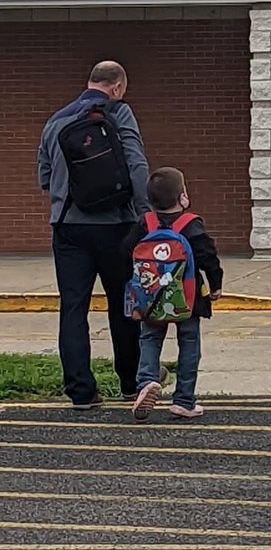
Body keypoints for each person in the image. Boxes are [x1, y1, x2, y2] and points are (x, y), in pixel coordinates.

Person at [38, 60, 150, 409]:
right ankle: (131, 383)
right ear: (117, 87)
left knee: (73, 308)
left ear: (90, 82)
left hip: (68, 226)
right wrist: (146, 213)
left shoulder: (56, 121)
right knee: (123, 304)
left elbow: (44, 175)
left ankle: (81, 392)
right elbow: (136, 164)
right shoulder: (119, 112)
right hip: (116, 226)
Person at [127, 166, 222, 421]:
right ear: (182, 198)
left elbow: (126, 252)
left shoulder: (144, 223)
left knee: (149, 339)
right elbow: (208, 256)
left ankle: (147, 380)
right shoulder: (190, 225)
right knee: (189, 344)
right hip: (187, 300)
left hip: (151, 299)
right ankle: (184, 400)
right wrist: (215, 285)